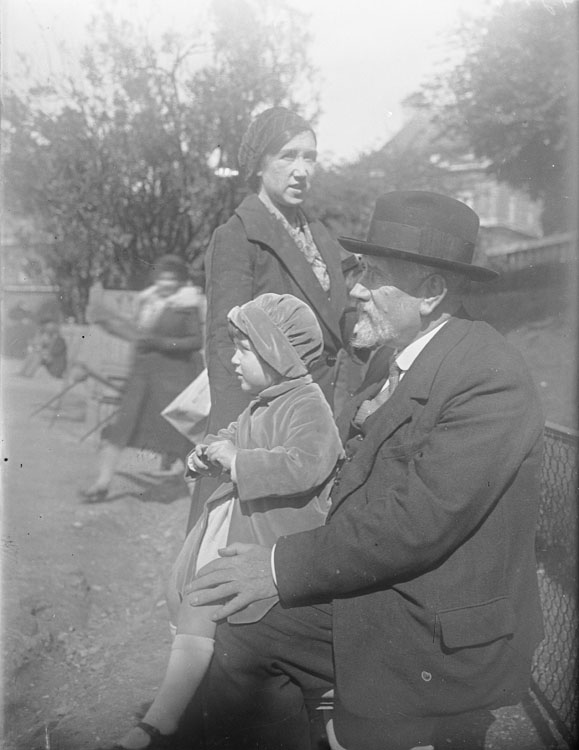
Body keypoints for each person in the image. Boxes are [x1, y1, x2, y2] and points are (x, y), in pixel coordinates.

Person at [187, 192, 545, 750]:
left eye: (374, 275)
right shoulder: (406, 355)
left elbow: (416, 524)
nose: (354, 289)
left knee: (246, 633)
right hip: (395, 583)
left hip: (433, 617)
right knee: (236, 622)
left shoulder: (487, 375)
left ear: (431, 292)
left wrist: (278, 566)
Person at [105, 293, 343, 750]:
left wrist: (240, 461)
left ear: (278, 353)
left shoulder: (307, 406)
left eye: (244, 349)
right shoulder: (263, 403)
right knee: (201, 596)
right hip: (243, 527)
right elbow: (233, 435)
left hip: (280, 539)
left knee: (241, 623)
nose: (234, 359)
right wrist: (209, 451)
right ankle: (165, 716)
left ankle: (330, 717)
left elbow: (308, 463)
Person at [189, 106, 351, 531]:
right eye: (287, 156)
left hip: (318, 412)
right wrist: (237, 441)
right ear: (258, 163)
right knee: (243, 543)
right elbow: (226, 350)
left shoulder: (318, 234)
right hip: (267, 420)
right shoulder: (238, 237)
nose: (301, 170)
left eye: (310, 157)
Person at [81, 255, 204, 502]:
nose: (166, 283)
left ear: (180, 281)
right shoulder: (147, 301)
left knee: (178, 437)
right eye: (161, 277)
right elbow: (137, 337)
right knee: (121, 429)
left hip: (171, 380)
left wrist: (158, 342)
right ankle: (102, 484)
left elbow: (195, 341)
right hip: (141, 378)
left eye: (172, 278)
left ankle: (199, 492)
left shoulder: (186, 305)